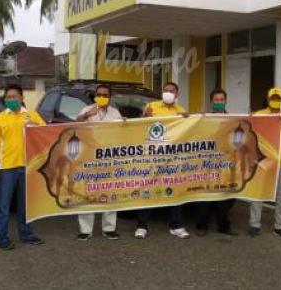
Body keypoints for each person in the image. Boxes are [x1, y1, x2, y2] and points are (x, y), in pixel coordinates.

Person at [0, 83, 45, 250]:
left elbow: (47, 133)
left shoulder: (32, 115)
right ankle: (1, 237)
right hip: (7, 167)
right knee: (3, 205)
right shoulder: (0, 118)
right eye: (8, 97)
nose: (11, 100)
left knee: (25, 205)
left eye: (14, 97)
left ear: (22, 98)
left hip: (28, 167)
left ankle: (26, 234)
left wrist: (35, 127)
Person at [135, 81, 190, 239]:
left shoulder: (181, 110)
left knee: (174, 189)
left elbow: (186, 132)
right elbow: (139, 127)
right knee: (147, 189)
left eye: (171, 91)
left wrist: (188, 119)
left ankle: (176, 225)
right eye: (165, 90)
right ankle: (142, 225)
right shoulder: (151, 106)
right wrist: (145, 117)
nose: (167, 93)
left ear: (177, 94)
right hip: (152, 157)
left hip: (172, 158)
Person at [248, 87, 281, 238]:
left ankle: (280, 226)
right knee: (258, 192)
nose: (275, 101)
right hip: (263, 159)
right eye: (273, 98)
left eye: (278, 98)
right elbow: (248, 127)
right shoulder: (260, 115)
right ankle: (254, 224)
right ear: (268, 99)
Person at [74, 83, 123, 241]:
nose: (102, 97)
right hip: (89, 158)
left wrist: (126, 123)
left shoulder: (115, 112)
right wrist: (88, 115)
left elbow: (122, 130)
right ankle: (85, 230)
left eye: (105, 95)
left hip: (108, 158)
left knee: (109, 191)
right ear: (95, 96)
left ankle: (109, 228)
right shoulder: (86, 110)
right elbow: (75, 125)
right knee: (88, 191)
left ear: (109, 97)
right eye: (99, 94)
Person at [195, 88, 236, 237]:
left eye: (221, 100)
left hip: (226, 163)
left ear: (226, 101)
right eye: (216, 100)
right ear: (211, 102)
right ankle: (202, 226)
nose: (219, 102)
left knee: (226, 195)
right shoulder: (204, 119)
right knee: (206, 195)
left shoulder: (234, 119)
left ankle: (223, 226)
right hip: (208, 163)